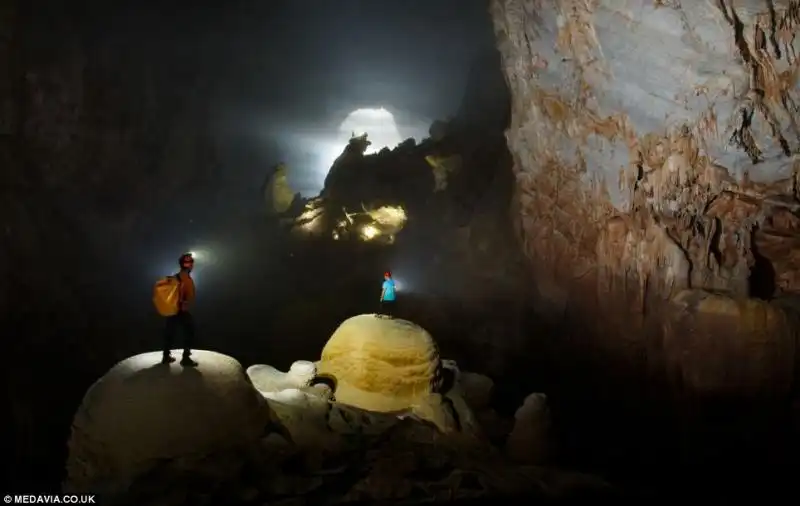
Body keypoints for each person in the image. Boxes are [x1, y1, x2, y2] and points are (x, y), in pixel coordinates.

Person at [162, 253, 198, 366]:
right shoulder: (186, 278)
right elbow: (186, 295)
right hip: (180, 310)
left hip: (172, 310)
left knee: (170, 333)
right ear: (189, 265)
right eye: (190, 263)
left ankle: (166, 356)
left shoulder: (176, 276)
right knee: (189, 331)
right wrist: (184, 303)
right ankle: (186, 358)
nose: (192, 265)